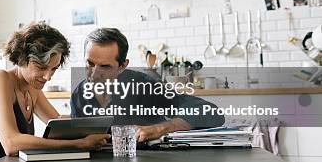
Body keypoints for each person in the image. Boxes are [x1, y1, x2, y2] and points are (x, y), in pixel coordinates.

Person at [0, 22, 110, 162]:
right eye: (41, 67)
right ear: (21, 58)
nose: (48, 77)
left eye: (53, 69)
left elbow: (58, 122)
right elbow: (11, 144)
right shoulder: (0, 79)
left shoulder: (32, 87)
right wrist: (78, 143)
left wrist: (101, 123)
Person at [70, 28, 225, 142]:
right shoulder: (79, 94)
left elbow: (210, 112)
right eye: (89, 64)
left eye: (105, 66)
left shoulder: (144, 86)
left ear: (122, 66)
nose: (94, 73)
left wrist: (160, 128)